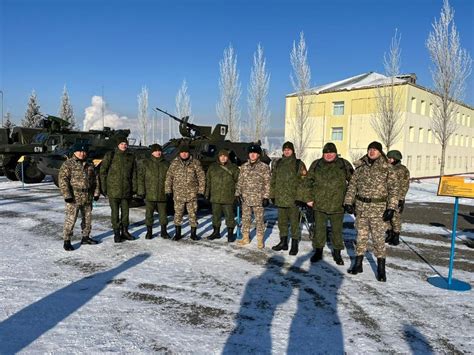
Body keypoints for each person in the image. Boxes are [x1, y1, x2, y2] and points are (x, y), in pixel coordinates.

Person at [343, 141, 398, 282]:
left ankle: (381, 269)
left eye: (374, 150)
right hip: (361, 208)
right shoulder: (361, 168)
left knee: (378, 239)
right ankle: (358, 264)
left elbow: (394, 190)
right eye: (370, 149)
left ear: (380, 152)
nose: (371, 152)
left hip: (378, 210)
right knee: (360, 237)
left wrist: (391, 207)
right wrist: (348, 202)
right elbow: (352, 186)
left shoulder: (387, 168)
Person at [305, 142, 353, 264]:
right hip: (319, 204)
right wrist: (308, 198)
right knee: (319, 230)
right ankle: (318, 252)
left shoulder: (343, 164)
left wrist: (349, 200)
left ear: (335, 153)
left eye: (331, 153)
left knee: (337, 231)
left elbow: (354, 183)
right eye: (326, 153)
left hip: (338, 205)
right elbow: (307, 183)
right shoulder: (316, 164)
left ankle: (337, 253)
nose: (328, 155)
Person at [58, 142, 100, 251]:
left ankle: (85, 237)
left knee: (87, 218)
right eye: (79, 151)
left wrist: (96, 193)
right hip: (74, 196)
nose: (82, 153)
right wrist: (67, 195)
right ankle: (67, 240)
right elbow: (63, 180)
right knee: (71, 219)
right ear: (75, 152)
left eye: (84, 151)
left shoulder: (90, 164)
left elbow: (95, 179)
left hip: (87, 195)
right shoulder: (68, 164)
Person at [270, 141, 307, 255]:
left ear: (292, 151)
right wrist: (272, 195)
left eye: (289, 149)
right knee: (282, 222)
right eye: (285, 149)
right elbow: (273, 180)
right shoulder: (278, 163)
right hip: (281, 199)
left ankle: (294, 245)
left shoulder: (298, 164)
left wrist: (301, 198)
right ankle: (283, 242)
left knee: (295, 223)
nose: (286, 151)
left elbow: (304, 182)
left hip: (294, 200)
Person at [99, 136, 137, 243]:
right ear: (117, 145)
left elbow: (134, 173)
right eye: (121, 144)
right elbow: (103, 172)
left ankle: (125, 231)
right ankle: (116, 233)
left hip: (126, 189)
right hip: (113, 190)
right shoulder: (110, 155)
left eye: (125, 144)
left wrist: (134, 187)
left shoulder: (131, 157)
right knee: (115, 212)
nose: (124, 145)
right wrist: (104, 187)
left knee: (125, 212)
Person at [165, 143, 206, 241]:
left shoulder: (195, 163)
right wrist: (168, 190)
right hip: (178, 194)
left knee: (193, 214)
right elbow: (169, 177)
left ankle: (193, 234)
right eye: (182, 152)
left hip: (192, 194)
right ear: (179, 153)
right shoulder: (174, 163)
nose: (184, 154)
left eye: (186, 152)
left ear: (189, 153)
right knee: (178, 214)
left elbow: (201, 177)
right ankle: (178, 233)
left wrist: (201, 190)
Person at [235, 144, 271, 249]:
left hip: (258, 199)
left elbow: (267, 183)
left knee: (259, 220)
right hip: (245, 198)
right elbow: (240, 181)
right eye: (251, 153)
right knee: (245, 219)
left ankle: (260, 239)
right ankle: (245, 237)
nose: (252, 155)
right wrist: (237, 193)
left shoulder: (264, 167)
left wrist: (266, 197)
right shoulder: (244, 166)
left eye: (254, 153)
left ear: (258, 155)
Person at [205, 149, 240, 242]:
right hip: (215, 196)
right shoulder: (212, 167)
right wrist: (206, 193)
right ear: (218, 157)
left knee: (230, 216)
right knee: (215, 216)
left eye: (225, 156)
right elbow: (208, 181)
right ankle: (216, 232)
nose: (223, 158)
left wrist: (237, 194)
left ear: (227, 157)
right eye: (221, 156)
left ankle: (230, 234)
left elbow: (238, 182)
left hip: (228, 196)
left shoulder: (233, 168)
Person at [137, 143, 170, 240]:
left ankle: (164, 231)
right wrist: (141, 191)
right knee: (149, 214)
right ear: (152, 152)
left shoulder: (166, 164)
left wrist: (169, 191)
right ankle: (149, 232)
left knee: (163, 214)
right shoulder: (146, 163)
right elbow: (141, 178)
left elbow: (170, 178)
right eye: (155, 151)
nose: (158, 152)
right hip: (149, 193)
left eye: (159, 150)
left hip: (162, 193)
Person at [385, 150, 410, 246]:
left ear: (396, 159)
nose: (389, 160)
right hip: (386, 196)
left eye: (390, 158)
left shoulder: (402, 170)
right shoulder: (387, 168)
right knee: (386, 217)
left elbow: (405, 185)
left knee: (395, 217)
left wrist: (401, 198)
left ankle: (396, 235)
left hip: (397, 197)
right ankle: (389, 233)